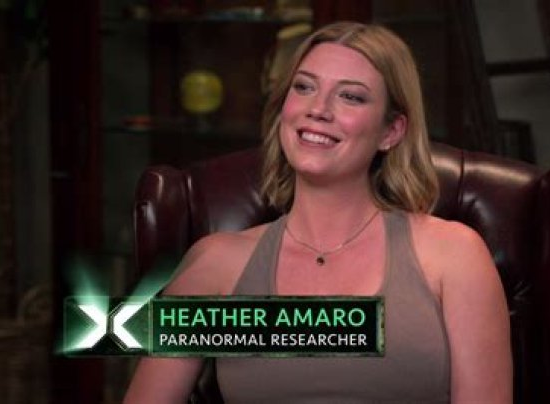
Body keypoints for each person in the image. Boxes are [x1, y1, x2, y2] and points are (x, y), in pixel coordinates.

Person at [125, 21, 512, 403]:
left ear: (391, 131)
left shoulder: (454, 254)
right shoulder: (216, 263)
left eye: (351, 97)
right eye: (304, 87)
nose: (318, 110)